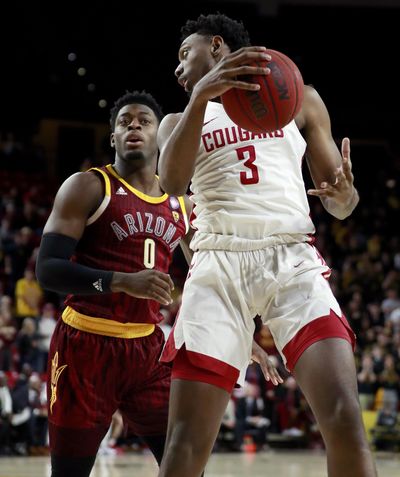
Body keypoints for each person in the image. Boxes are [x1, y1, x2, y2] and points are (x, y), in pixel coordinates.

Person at [156, 13, 377, 477]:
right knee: (185, 444)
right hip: (217, 268)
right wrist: (201, 95)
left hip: (291, 258)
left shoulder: (299, 97)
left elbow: (341, 205)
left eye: (184, 54)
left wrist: (344, 195)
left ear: (217, 45)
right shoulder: (177, 119)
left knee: (344, 418)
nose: (177, 69)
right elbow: (172, 183)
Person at [35, 90, 281, 477]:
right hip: (84, 347)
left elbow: (205, 275)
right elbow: (47, 269)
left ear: (160, 137)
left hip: (148, 352)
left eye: (144, 120)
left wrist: (239, 332)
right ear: (113, 137)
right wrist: (120, 281)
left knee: (186, 464)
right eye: (124, 121)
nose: (134, 125)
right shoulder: (88, 186)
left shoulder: (182, 204)